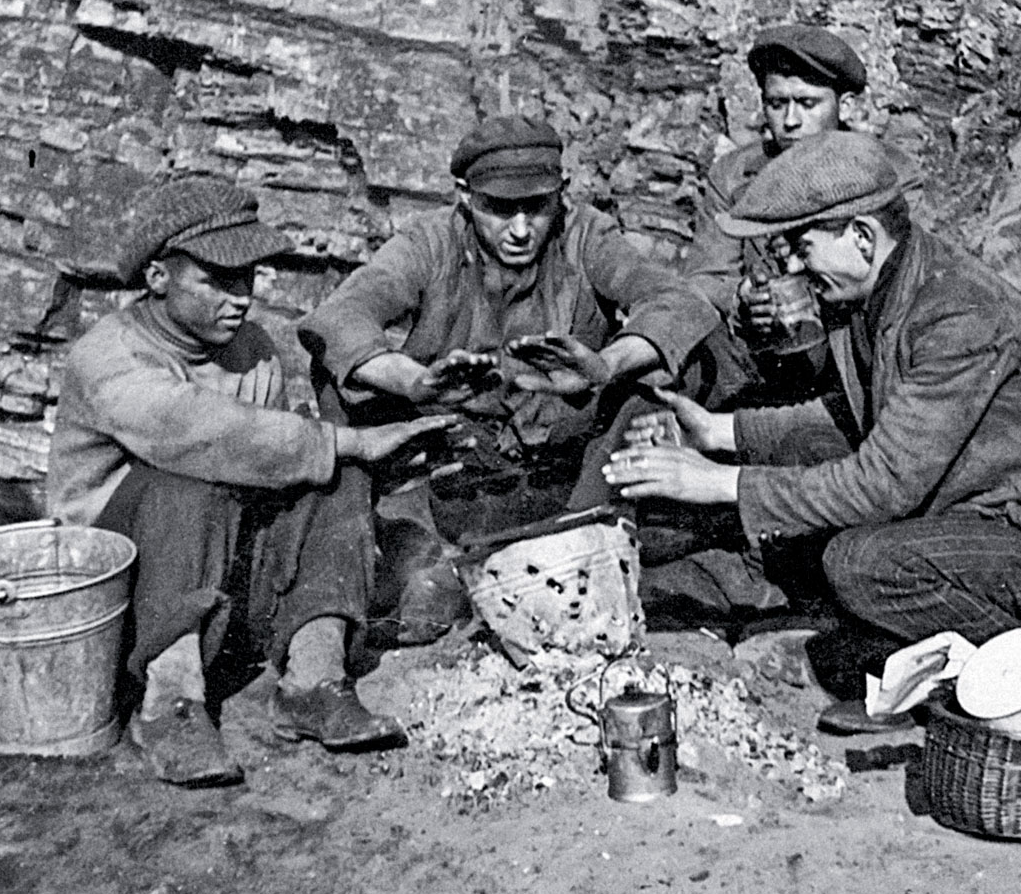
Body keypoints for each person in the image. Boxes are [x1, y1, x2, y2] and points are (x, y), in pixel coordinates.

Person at [605, 131, 1021, 733]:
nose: (794, 266)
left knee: (860, 563)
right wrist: (719, 432)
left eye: (803, 247)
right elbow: (852, 418)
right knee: (819, 551)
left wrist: (721, 483)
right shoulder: (880, 295)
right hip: (983, 529)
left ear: (861, 236)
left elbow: (883, 484)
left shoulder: (958, 314)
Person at [48, 175, 459, 786]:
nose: (239, 298)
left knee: (334, 477)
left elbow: (275, 466)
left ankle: (314, 680)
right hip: (118, 601)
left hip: (216, 580)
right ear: (157, 277)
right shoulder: (109, 357)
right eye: (216, 281)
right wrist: (347, 440)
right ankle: (171, 702)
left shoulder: (252, 350)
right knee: (186, 482)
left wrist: (360, 464)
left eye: (245, 279)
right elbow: (204, 434)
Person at [297, 114, 720, 627]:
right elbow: (340, 317)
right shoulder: (429, 242)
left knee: (674, 369)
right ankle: (378, 557)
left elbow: (679, 304)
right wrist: (413, 382)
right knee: (340, 381)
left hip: (567, 461)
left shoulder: (587, 234)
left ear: (561, 192)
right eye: (499, 209)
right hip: (454, 458)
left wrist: (604, 365)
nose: (520, 230)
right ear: (464, 196)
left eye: (536, 208)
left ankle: (583, 534)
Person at [685, 24, 870, 407]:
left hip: (849, 361)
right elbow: (703, 277)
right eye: (776, 103)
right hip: (759, 360)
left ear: (846, 106)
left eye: (807, 104)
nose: (790, 121)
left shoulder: (883, 174)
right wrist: (743, 297)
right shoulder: (734, 175)